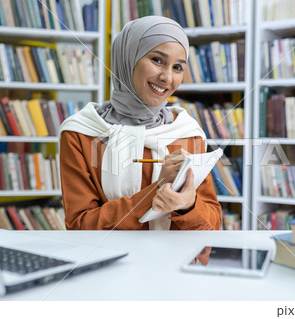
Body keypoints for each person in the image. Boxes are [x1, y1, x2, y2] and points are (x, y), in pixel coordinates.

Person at [59, 16, 222, 230]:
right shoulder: (81, 133)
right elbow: (81, 226)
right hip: (111, 260)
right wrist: (156, 192)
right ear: (128, 58)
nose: (167, 77)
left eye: (178, 68)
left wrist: (188, 206)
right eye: (157, 60)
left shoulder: (186, 132)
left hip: (175, 260)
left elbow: (212, 225)